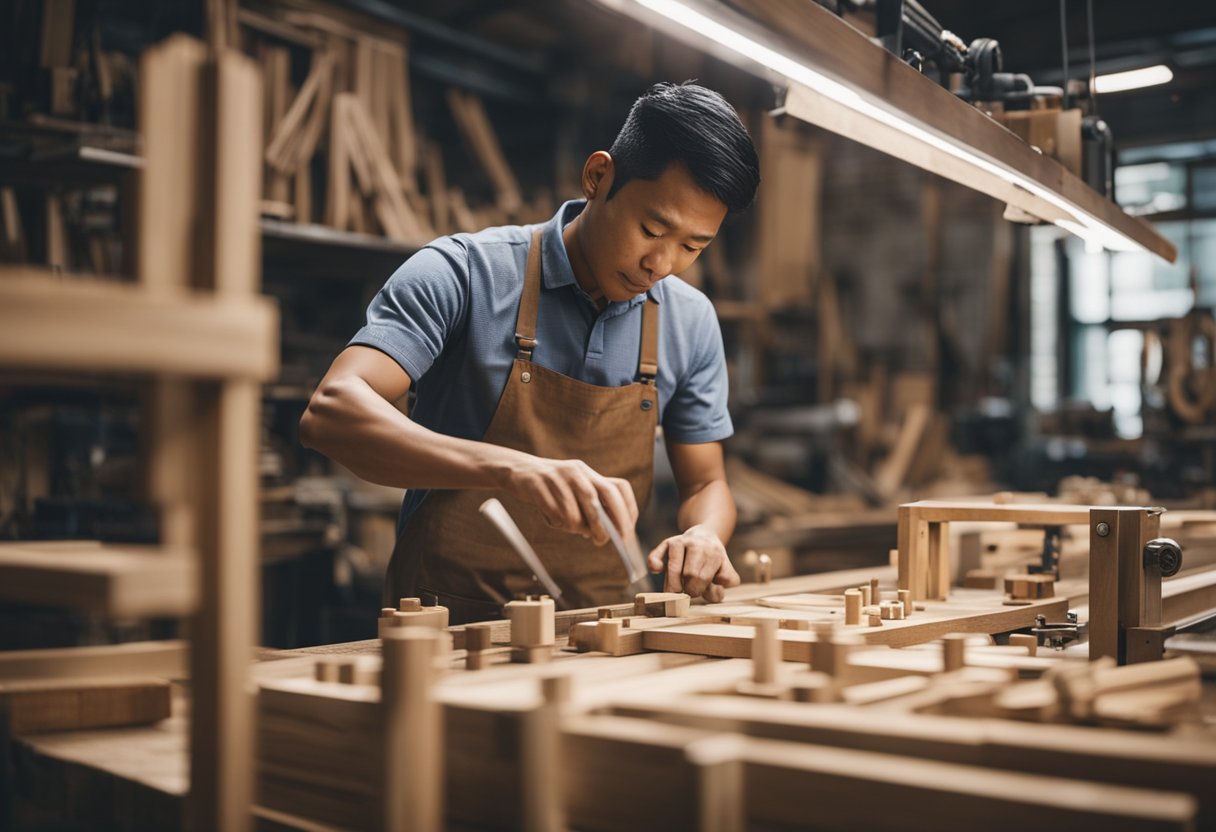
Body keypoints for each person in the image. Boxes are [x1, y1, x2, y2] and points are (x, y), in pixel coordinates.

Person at [300, 81, 761, 623]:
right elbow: (331, 411)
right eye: (651, 228)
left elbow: (707, 482)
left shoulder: (691, 320)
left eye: (691, 247)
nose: (659, 264)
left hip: (601, 633)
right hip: (445, 628)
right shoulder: (464, 274)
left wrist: (705, 533)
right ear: (598, 177)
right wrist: (509, 469)